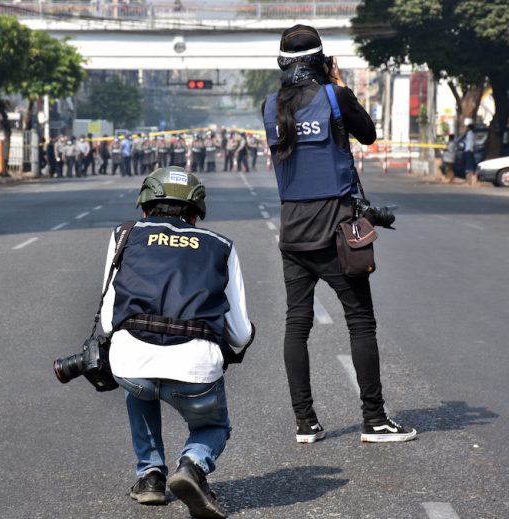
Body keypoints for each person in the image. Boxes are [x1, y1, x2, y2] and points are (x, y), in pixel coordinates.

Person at [262, 25, 416, 443]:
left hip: (292, 231)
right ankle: (374, 420)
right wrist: (340, 87)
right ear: (322, 61)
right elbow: (367, 134)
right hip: (336, 230)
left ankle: (305, 423)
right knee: (361, 323)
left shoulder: (270, 106)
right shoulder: (334, 96)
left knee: (297, 324)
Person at [101, 167, 254, 519]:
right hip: (195, 369)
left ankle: (151, 477)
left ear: (145, 208)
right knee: (214, 426)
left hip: (131, 363)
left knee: (137, 384)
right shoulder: (221, 246)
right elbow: (240, 335)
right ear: (196, 214)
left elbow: (110, 321)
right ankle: (193, 464)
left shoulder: (125, 234)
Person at [463, 120, 477, 186]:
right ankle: (469, 181)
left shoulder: (469, 134)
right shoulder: (471, 134)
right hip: (469, 150)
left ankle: (469, 181)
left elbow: (471, 143)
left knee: (469, 166)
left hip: (468, 150)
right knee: (469, 165)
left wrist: (471, 149)